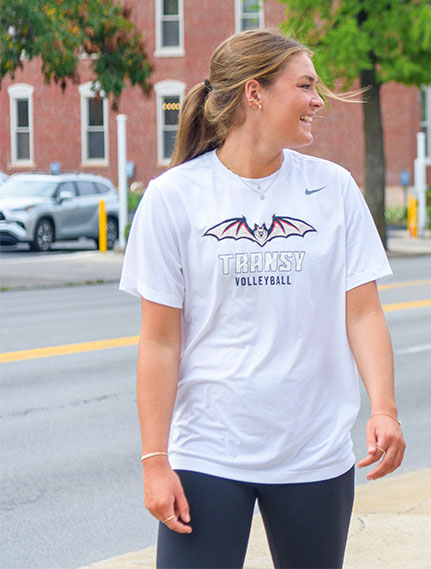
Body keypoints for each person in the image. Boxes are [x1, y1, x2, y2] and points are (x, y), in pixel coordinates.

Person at [120, 29, 405, 569]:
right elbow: (158, 342)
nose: (318, 100)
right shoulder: (172, 198)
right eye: (305, 86)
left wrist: (384, 407)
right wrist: (155, 460)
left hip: (314, 452)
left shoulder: (334, 188)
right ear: (255, 93)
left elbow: (363, 312)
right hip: (207, 451)